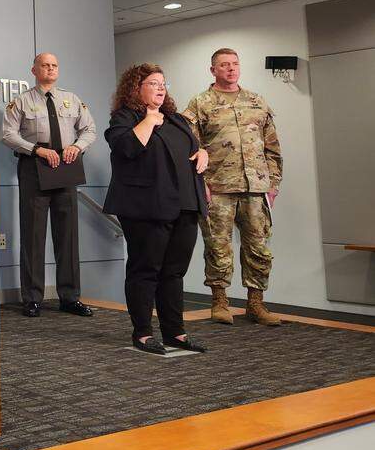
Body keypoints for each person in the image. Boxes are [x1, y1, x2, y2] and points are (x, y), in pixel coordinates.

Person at [104, 64, 209, 355]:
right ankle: (142, 333)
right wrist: (149, 120)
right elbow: (125, 148)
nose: (161, 88)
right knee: (145, 270)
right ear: (136, 88)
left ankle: (175, 331)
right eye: (153, 83)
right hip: (146, 207)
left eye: (163, 83)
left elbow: (190, 147)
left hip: (184, 204)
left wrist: (203, 152)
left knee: (174, 272)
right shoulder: (126, 117)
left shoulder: (175, 119)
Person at [183, 48, 283, 326]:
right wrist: (198, 184)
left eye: (235, 64)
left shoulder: (256, 101)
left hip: (256, 187)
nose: (231, 69)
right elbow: (189, 149)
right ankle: (220, 302)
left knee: (259, 247)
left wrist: (272, 184)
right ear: (212, 70)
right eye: (224, 65)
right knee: (218, 247)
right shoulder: (201, 103)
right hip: (217, 187)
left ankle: (256, 304)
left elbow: (272, 147)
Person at [0, 52, 97, 318]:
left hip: (65, 166)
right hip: (35, 166)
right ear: (34, 70)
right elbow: (7, 134)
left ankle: (70, 296)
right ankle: (32, 298)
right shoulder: (21, 101)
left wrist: (77, 147)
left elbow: (89, 130)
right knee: (33, 235)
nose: (51, 69)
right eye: (45, 65)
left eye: (54, 65)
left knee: (68, 235)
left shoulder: (72, 99)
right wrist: (36, 150)